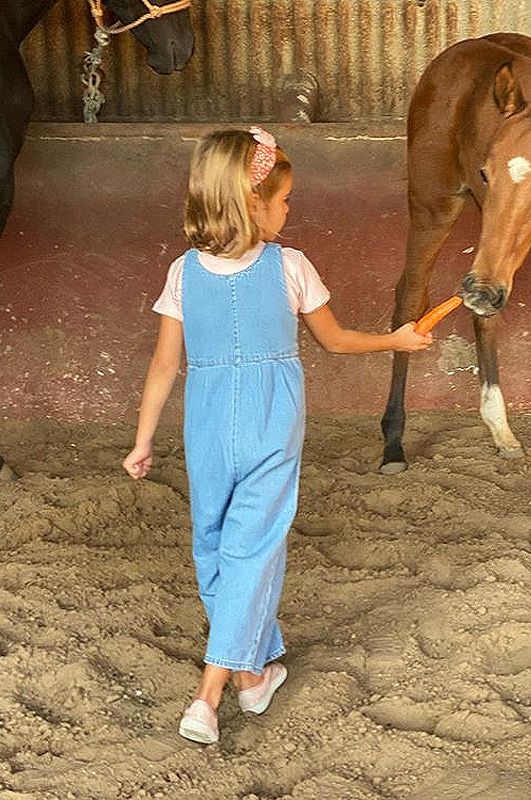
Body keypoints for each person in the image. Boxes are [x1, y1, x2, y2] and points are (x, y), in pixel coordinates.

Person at [122, 126, 432, 745]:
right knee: (244, 548)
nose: (289, 210)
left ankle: (229, 686)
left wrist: (144, 438)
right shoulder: (289, 265)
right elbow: (336, 341)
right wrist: (395, 341)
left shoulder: (184, 272)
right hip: (268, 419)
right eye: (284, 200)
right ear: (251, 203)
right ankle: (231, 685)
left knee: (223, 545)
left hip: (208, 423)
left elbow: (163, 368)